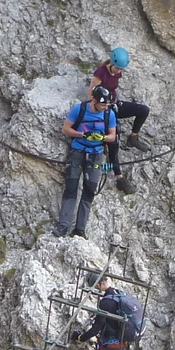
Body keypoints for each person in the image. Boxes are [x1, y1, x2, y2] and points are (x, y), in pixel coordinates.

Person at [58, 85, 118, 237]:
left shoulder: (108, 114)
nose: (105, 107)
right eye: (103, 104)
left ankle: (80, 229)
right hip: (78, 151)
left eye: (107, 105)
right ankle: (63, 226)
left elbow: (112, 136)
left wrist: (102, 138)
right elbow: (66, 129)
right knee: (71, 187)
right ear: (94, 100)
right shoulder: (80, 109)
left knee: (89, 191)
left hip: (96, 154)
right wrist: (82, 135)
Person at [90, 46, 147, 192]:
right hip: (104, 110)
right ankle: (119, 178)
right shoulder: (100, 73)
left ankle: (133, 137)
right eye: (118, 69)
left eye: (122, 69)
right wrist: (101, 111)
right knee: (113, 142)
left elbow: (113, 88)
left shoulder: (117, 72)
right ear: (112, 64)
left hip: (114, 105)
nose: (120, 72)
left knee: (143, 110)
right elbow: (91, 95)